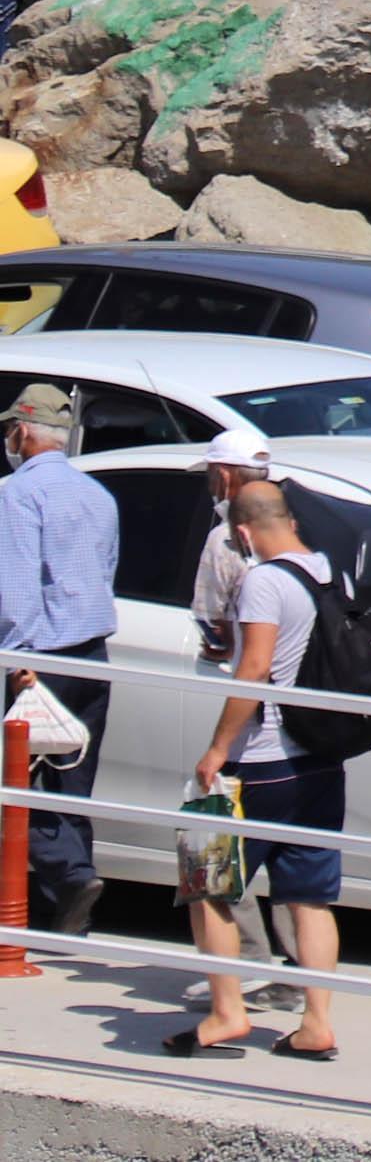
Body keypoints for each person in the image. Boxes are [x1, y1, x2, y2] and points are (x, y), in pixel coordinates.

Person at [170, 480, 342, 1059]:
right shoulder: (329, 572)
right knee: (309, 899)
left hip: (261, 759)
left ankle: (227, 1014)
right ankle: (317, 1024)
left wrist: (218, 747)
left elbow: (256, 669)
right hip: (320, 760)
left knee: (208, 882)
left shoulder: (263, 581)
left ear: (242, 532)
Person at [185, 428, 299, 1018]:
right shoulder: (301, 534)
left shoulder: (224, 541)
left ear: (225, 476)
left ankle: (244, 965)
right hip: (305, 724)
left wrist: (217, 745)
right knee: (294, 853)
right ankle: (298, 973)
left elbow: (215, 631)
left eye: (211, 472)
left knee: (213, 844)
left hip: (245, 720)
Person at [0, 378, 117, 937]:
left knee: (16, 779)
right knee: (73, 781)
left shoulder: (17, 493)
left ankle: (71, 879)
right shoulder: (98, 494)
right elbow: (105, 571)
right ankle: (72, 916)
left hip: (39, 657)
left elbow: (17, 587)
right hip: (92, 654)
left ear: (23, 432)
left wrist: (16, 659)